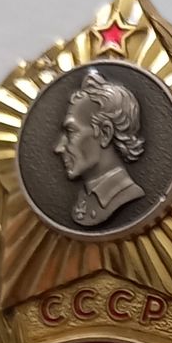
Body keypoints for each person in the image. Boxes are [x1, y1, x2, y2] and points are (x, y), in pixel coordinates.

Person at [53, 67, 146, 227]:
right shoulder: (84, 197)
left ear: (105, 133)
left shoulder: (128, 195)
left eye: (71, 132)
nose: (59, 148)